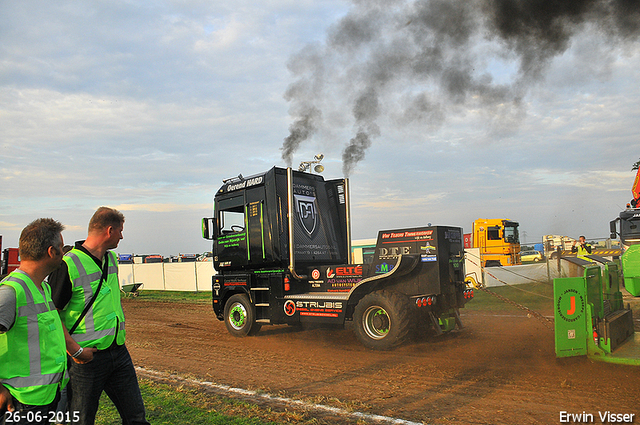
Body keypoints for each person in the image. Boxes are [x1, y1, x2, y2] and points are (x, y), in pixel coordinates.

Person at [48, 207, 149, 425]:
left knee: (136, 417)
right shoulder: (68, 264)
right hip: (86, 359)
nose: (122, 236)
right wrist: (75, 350)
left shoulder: (110, 260)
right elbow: (51, 314)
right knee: (82, 420)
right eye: (120, 231)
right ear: (109, 230)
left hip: (118, 352)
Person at [0, 218, 68, 425]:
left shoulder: (43, 288)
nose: (64, 254)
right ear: (51, 252)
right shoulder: (11, 293)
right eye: (61, 248)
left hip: (44, 398)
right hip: (21, 404)